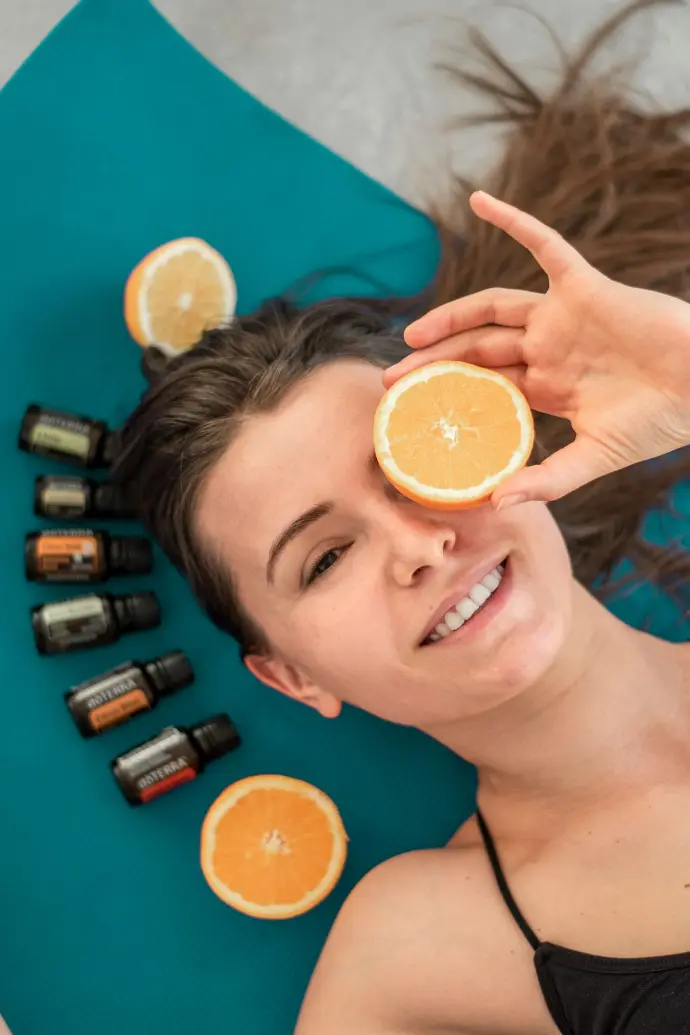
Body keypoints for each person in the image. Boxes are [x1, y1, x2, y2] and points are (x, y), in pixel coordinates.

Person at [114, 3, 690, 1032]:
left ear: (509, 439)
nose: (420, 547)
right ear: (293, 677)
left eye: (411, 471)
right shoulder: (417, 949)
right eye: (325, 558)